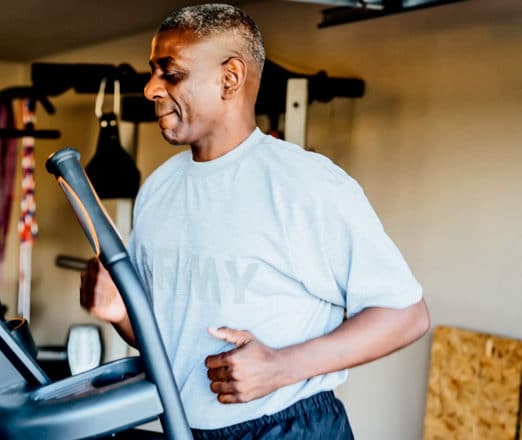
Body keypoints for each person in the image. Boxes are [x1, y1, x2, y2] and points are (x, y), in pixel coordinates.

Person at [80, 3, 430, 439]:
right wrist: (119, 313)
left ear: (230, 77)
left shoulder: (308, 185)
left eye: (170, 73)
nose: (151, 88)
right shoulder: (159, 188)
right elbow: (168, 338)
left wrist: (283, 366)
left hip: (290, 427)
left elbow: (406, 315)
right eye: (153, 72)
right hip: (184, 428)